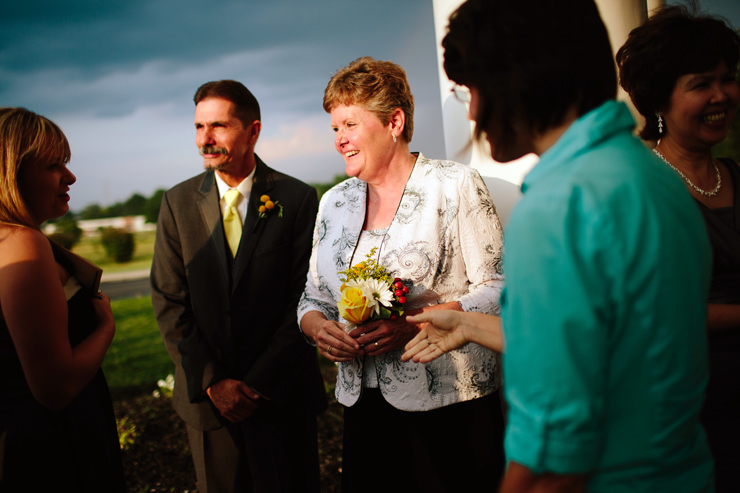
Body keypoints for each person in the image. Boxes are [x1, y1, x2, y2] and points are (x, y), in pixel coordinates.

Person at [403, 0, 715, 491]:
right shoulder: (656, 177)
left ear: (518, 81)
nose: (476, 113)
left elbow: (555, 456)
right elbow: (612, 341)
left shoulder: (558, 206)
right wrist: (464, 321)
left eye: (472, 91)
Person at [298, 56, 506, 492]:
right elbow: (312, 299)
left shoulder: (455, 185)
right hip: (363, 410)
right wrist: (320, 330)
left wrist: (413, 324)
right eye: (335, 128)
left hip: (450, 407)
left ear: (394, 121)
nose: (340, 140)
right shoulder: (333, 203)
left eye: (350, 125)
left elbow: (499, 289)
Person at [151, 80, 326, 493]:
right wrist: (213, 382)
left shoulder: (298, 199)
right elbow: (169, 301)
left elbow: (306, 296)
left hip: (281, 395)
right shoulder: (176, 203)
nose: (205, 140)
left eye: (218, 126)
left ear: (253, 130)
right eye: (198, 127)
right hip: (210, 406)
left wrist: (257, 385)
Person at [616, 7, 740, 491]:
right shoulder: (639, 188)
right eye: (700, 83)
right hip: (694, 408)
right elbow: (650, 311)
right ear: (659, 98)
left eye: (727, 79)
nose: (721, 96)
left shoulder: (735, 173)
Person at [0, 107, 125, 492]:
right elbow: (55, 388)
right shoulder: (22, 244)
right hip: (55, 448)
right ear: (11, 174)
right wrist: (105, 327)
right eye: (54, 166)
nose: (70, 177)